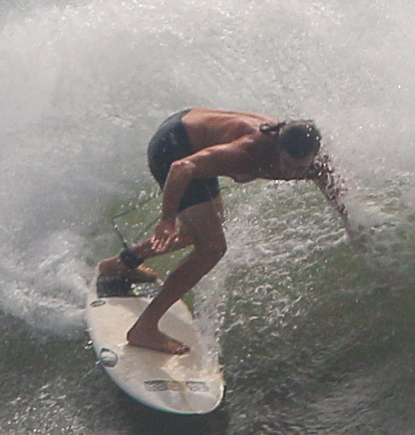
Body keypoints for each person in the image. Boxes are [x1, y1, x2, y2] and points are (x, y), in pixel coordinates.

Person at [96, 108, 355, 355]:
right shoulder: (247, 150)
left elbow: (331, 186)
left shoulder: (313, 162)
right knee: (212, 248)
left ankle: (121, 264)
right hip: (174, 146)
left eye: (300, 168)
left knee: (200, 231)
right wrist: (166, 220)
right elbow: (181, 168)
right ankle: (144, 329)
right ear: (278, 147)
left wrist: (350, 224)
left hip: (195, 140)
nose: (291, 174)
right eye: (287, 164)